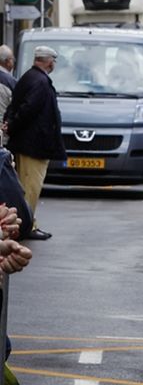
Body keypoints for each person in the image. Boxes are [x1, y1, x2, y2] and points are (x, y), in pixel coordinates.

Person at [4, 46, 64, 240]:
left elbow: (17, 106)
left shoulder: (30, 77)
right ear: (48, 61)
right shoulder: (40, 81)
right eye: (53, 60)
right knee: (31, 187)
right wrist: (12, 125)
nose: (54, 64)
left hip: (26, 142)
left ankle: (22, 223)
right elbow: (28, 109)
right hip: (34, 145)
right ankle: (26, 226)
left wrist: (11, 124)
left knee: (25, 185)